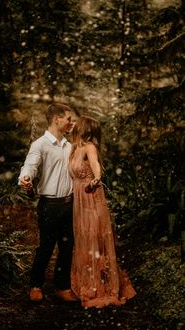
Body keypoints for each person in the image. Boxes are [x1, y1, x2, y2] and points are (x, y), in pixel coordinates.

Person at [69, 115, 136, 308]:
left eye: (77, 124)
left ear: (83, 128)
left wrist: (96, 178)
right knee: (83, 237)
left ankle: (99, 286)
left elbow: (96, 166)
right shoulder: (75, 148)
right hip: (79, 201)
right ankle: (88, 281)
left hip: (91, 198)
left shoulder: (89, 147)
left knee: (94, 239)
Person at [18, 103, 78, 303]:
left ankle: (62, 287)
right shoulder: (40, 144)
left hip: (70, 204)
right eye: (68, 118)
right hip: (49, 206)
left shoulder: (70, 146)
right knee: (46, 247)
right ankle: (35, 285)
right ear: (56, 119)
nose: (71, 122)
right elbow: (30, 165)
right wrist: (25, 178)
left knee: (67, 247)